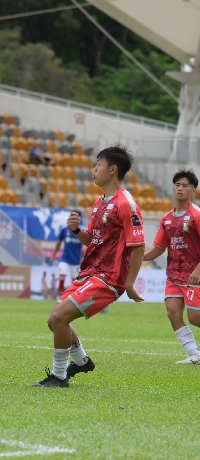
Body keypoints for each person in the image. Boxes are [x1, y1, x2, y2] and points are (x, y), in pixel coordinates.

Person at [33, 145, 144, 387]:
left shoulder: (126, 203)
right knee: (54, 321)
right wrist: (76, 231)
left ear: (112, 169)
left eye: (98, 165)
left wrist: (129, 283)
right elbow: (92, 239)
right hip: (90, 273)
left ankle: (59, 377)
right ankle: (82, 361)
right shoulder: (99, 202)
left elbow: (138, 245)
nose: (93, 170)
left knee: (59, 317)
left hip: (108, 278)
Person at [143, 169, 200, 365]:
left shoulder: (197, 215)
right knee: (173, 313)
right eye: (177, 185)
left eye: (185, 186)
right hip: (174, 275)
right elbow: (159, 248)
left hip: (195, 275)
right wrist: (138, 258)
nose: (180, 189)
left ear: (193, 190)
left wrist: (198, 270)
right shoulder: (167, 218)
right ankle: (195, 354)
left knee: (195, 317)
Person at [50, 210, 84, 296]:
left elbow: (85, 246)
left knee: (74, 281)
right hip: (65, 259)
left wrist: (83, 258)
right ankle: (60, 295)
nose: (74, 218)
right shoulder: (64, 231)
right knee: (62, 275)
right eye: (72, 216)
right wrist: (53, 255)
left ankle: (72, 299)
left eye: (76, 217)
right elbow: (59, 243)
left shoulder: (82, 232)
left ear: (79, 219)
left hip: (76, 261)